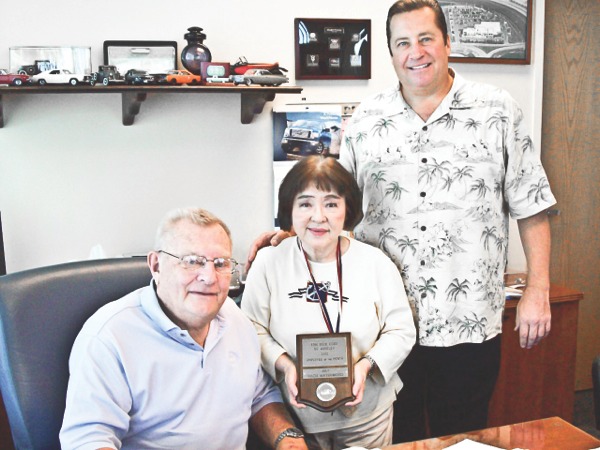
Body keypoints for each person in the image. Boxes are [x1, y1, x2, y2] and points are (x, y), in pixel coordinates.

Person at [247, 0, 556, 442]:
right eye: (403, 43)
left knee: (463, 437)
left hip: (467, 321)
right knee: (399, 437)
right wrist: (289, 233)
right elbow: (336, 204)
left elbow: (532, 205)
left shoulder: (498, 111)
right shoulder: (365, 121)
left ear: (447, 43)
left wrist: (538, 290)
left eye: (426, 38)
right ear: (391, 53)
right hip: (381, 329)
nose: (417, 52)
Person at [60, 207, 308, 450]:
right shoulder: (109, 338)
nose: (209, 277)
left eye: (220, 263)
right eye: (192, 261)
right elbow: (89, 440)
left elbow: (259, 396)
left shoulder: (236, 320)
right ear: (156, 265)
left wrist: (288, 439)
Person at [241, 155, 416, 450]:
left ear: (347, 209)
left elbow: (401, 330)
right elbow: (251, 328)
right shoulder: (269, 262)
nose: (318, 216)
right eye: (306, 203)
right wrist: (285, 365)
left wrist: (364, 368)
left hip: (367, 416)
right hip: (295, 416)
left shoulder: (375, 262)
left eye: (331, 203)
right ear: (289, 210)